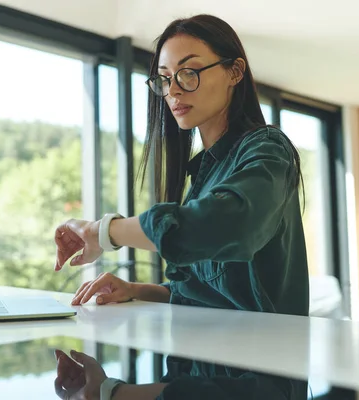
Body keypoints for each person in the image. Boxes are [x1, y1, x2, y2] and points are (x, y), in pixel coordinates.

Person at [53, 13, 309, 400]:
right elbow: (213, 289)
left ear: (235, 71)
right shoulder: (204, 172)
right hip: (203, 360)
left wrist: (104, 231)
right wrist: (139, 289)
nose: (174, 90)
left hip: (260, 379)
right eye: (165, 78)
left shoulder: (267, 150)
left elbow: (221, 227)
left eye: (189, 72)